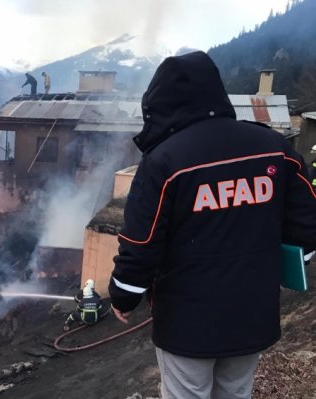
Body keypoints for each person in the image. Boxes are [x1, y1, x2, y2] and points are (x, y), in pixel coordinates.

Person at [108, 51, 316, 399]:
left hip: (186, 324)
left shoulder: (164, 161)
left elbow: (141, 242)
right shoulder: (274, 147)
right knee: (235, 392)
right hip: (253, 312)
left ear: (160, 103)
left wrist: (123, 296)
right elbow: (306, 221)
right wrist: (297, 260)